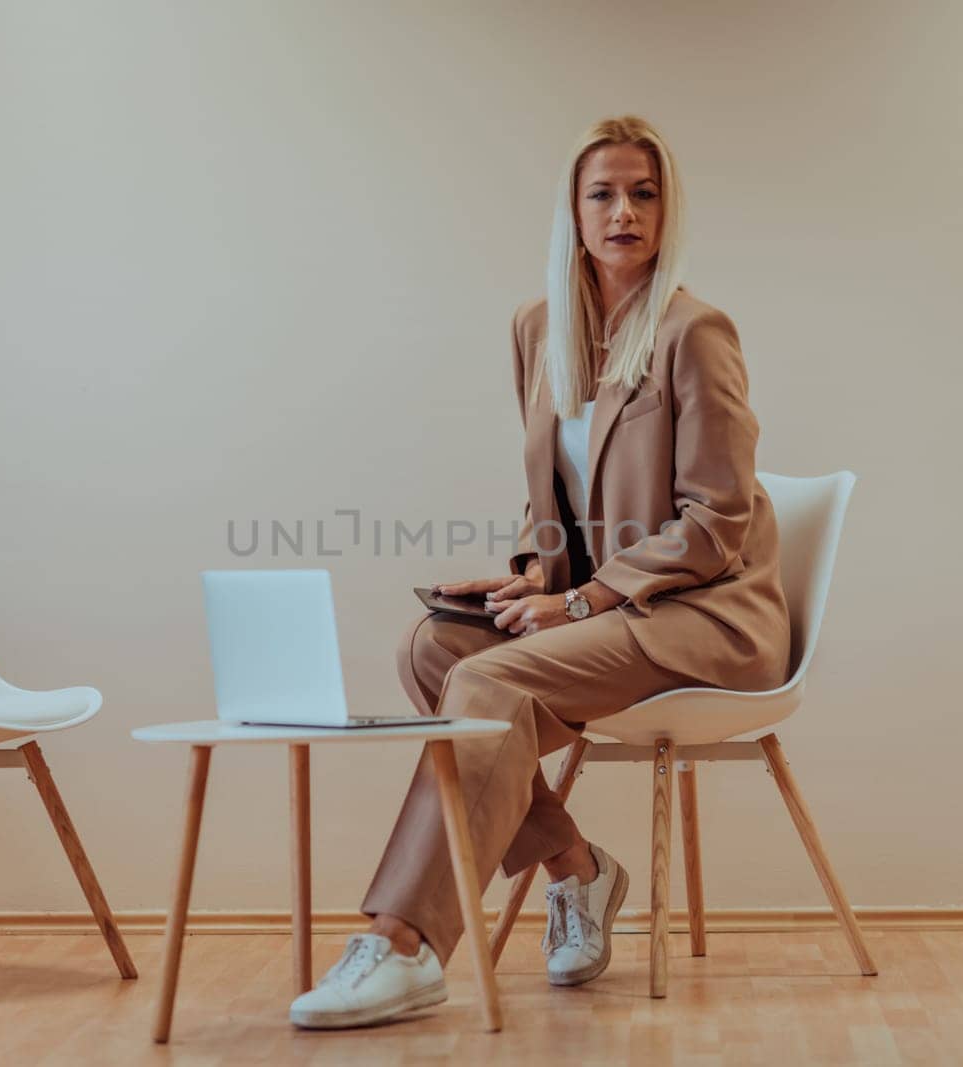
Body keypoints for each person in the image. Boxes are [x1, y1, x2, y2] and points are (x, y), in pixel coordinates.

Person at [289, 115, 793, 1029]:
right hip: (600, 604)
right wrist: (530, 575)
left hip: (704, 614)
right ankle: (578, 870)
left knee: (483, 679)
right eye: (602, 192)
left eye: (643, 192)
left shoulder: (694, 331)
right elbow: (554, 493)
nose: (623, 211)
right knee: (435, 650)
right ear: (573, 209)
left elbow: (718, 519)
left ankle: (402, 942)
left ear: (666, 209)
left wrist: (585, 597)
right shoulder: (537, 328)